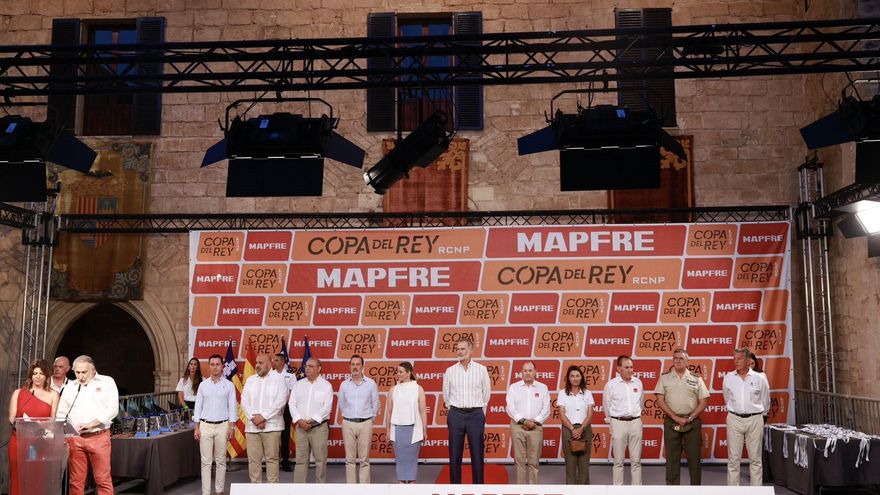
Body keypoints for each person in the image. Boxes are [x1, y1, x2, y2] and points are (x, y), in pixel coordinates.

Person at [56, 355, 119, 495]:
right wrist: (63, 431)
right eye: (77, 372)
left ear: (93, 369)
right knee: (76, 481)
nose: (80, 376)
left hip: (99, 437)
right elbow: (61, 412)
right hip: (75, 438)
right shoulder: (71, 387)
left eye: (84, 372)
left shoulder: (107, 382)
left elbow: (113, 409)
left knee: (102, 480)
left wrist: (92, 423)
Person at [654, 348, 709, 485]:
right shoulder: (665, 377)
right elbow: (660, 400)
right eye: (675, 358)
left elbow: (703, 401)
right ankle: (672, 490)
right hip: (671, 421)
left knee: (694, 458)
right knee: (672, 459)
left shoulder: (696, 378)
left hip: (692, 421)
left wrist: (690, 418)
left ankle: (695, 489)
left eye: (681, 359)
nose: (678, 361)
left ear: (687, 362)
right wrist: (675, 417)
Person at [442, 338, 491, 484]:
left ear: (470, 351)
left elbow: (486, 393)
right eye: (457, 349)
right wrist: (453, 410)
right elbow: (446, 394)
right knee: (454, 454)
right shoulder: (450, 371)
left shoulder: (481, 369)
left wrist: (480, 412)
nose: (459, 351)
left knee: (477, 454)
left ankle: (478, 488)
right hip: (456, 414)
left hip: (475, 414)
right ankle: (455, 488)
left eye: (462, 349)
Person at [8, 358, 60, 495]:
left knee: (37, 476)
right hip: (18, 440)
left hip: (40, 442)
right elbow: (11, 417)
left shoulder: (53, 394)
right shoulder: (18, 393)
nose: (37, 377)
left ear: (46, 376)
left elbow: (53, 422)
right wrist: (22, 424)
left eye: (41, 374)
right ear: (31, 375)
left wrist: (39, 429)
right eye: (35, 373)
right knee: (18, 476)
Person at [723, 347, 770, 486]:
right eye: (734, 359)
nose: (736, 362)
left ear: (748, 360)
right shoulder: (728, 378)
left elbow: (766, 399)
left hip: (755, 419)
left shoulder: (759, 378)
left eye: (739, 358)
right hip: (734, 419)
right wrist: (736, 411)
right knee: (733, 460)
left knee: (755, 459)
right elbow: (727, 399)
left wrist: (761, 414)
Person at [193, 354, 237, 495]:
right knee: (205, 462)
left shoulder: (229, 385)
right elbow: (197, 407)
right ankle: (206, 492)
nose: (215, 367)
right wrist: (196, 427)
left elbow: (233, 408)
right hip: (205, 425)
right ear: (209, 366)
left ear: (222, 366)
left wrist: (232, 427)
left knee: (220, 461)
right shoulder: (203, 385)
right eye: (212, 364)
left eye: (217, 364)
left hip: (223, 425)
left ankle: (219, 491)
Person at [241, 353, 288, 483]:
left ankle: (272, 490)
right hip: (252, 427)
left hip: (272, 426)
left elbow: (281, 401)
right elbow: (244, 401)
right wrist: (254, 418)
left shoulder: (279, 379)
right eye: (256, 363)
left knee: (272, 459)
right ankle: (256, 489)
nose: (257, 365)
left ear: (269, 363)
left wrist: (263, 417)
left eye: (260, 363)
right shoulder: (250, 380)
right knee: (253, 460)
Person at [289, 357, 333, 483]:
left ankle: (320, 488)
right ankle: (299, 489)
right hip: (301, 428)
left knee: (320, 460)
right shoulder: (299, 384)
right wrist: (299, 420)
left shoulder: (326, 386)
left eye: (311, 366)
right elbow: (292, 403)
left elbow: (327, 408)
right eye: (306, 366)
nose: (307, 368)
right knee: (301, 460)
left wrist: (311, 421)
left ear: (319, 369)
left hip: (319, 428)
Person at [506, 361, 550, 484]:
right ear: (521, 372)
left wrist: (534, 422)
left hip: (535, 427)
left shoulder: (543, 387)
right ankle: (521, 489)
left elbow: (546, 409)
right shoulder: (514, 387)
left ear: (535, 372)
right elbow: (510, 408)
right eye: (525, 370)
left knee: (534, 461)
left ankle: (533, 489)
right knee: (519, 461)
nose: (528, 373)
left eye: (530, 370)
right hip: (518, 426)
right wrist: (524, 421)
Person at [603, 355, 644, 486]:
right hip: (618, 423)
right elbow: (606, 406)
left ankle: (637, 490)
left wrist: (635, 416)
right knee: (618, 461)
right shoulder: (611, 385)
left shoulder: (638, 382)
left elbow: (641, 403)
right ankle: (618, 490)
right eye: (626, 367)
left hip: (636, 422)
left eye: (631, 367)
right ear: (619, 368)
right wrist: (612, 422)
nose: (630, 370)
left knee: (636, 460)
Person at [338, 354, 380, 483]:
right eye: (353, 364)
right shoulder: (344, 385)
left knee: (364, 459)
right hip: (348, 423)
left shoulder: (371, 384)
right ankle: (351, 488)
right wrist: (348, 416)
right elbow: (342, 404)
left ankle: (364, 489)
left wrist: (368, 419)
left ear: (362, 366)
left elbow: (376, 403)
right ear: (349, 366)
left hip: (365, 423)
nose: (355, 367)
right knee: (349, 459)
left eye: (358, 364)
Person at [388, 361, 427, 484]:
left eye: (400, 372)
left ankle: (411, 486)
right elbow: (389, 411)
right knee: (400, 460)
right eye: (397, 372)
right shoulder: (393, 389)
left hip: (414, 429)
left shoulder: (418, 389)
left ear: (408, 373)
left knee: (411, 461)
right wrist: (388, 430)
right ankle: (401, 486)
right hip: (397, 429)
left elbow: (423, 411)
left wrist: (425, 430)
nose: (397, 374)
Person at [557, 365, 594, 485]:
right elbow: (562, 415)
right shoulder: (562, 393)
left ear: (581, 377)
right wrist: (573, 429)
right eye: (572, 376)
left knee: (584, 464)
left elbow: (590, 414)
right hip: (569, 429)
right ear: (568, 378)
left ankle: (584, 491)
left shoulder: (588, 393)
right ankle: (571, 490)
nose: (575, 378)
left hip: (585, 429)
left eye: (577, 376)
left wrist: (581, 428)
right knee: (570, 464)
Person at [271, 352, 296, 472]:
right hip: (272, 409)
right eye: (273, 360)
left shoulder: (290, 375)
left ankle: (285, 462)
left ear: (282, 362)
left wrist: (283, 404)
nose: (273, 362)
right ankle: (271, 462)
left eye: (276, 360)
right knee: (272, 436)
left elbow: (293, 392)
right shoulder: (270, 374)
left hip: (285, 409)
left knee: (285, 436)